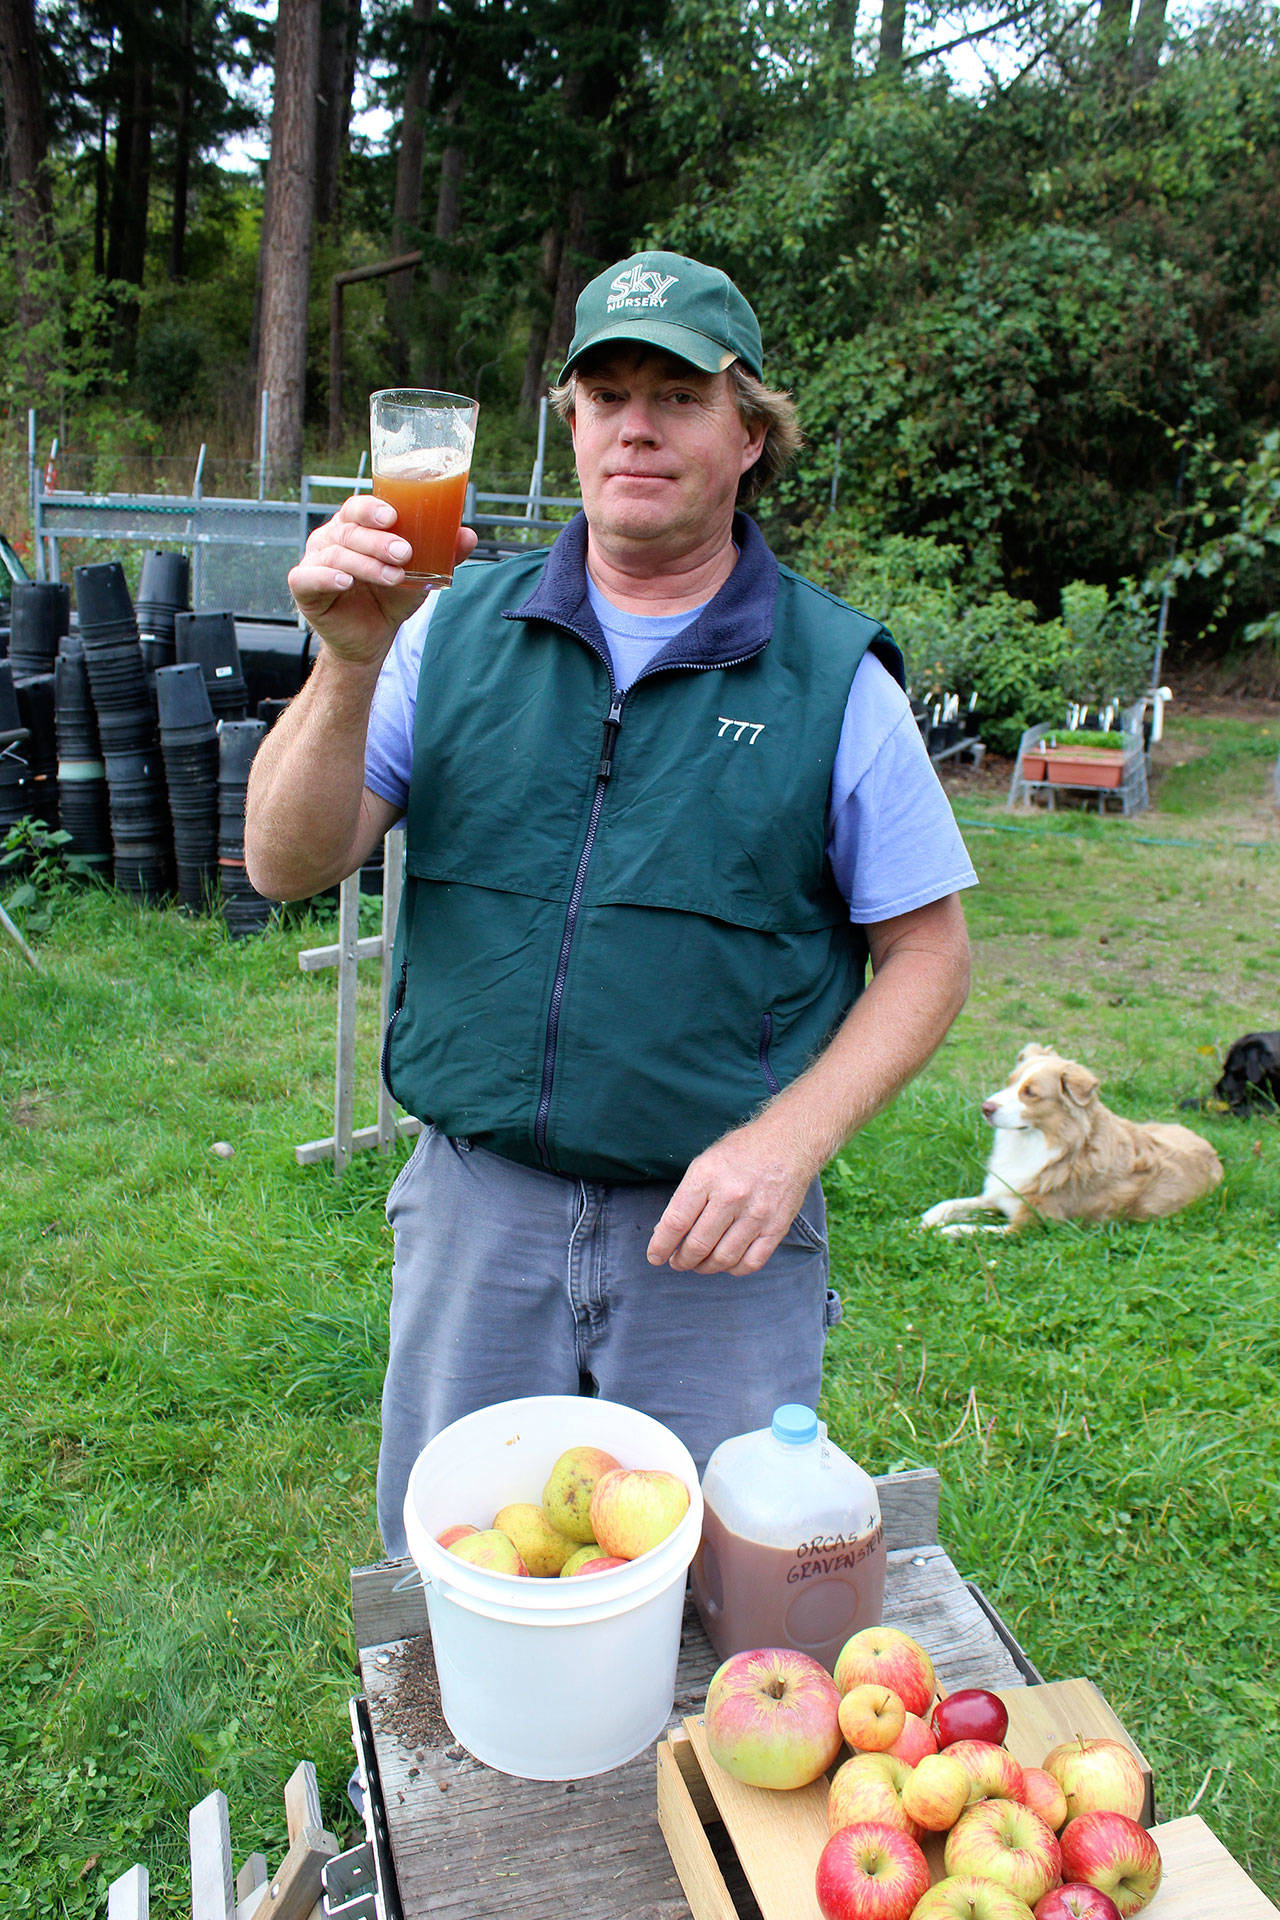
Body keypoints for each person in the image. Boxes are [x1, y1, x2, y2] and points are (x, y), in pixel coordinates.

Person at [245, 250, 976, 1558]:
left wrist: (785, 1146)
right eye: (606, 394)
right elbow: (284, 862)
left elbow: (928, 952)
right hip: (479, 1212)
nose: (637, 426)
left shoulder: (831, 677)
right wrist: (346, 662)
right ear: (572, 426)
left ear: (749, 436)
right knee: (461, 1566)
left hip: (715, 1236)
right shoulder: (445, 631)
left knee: (718, 1580)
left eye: (680, 397)